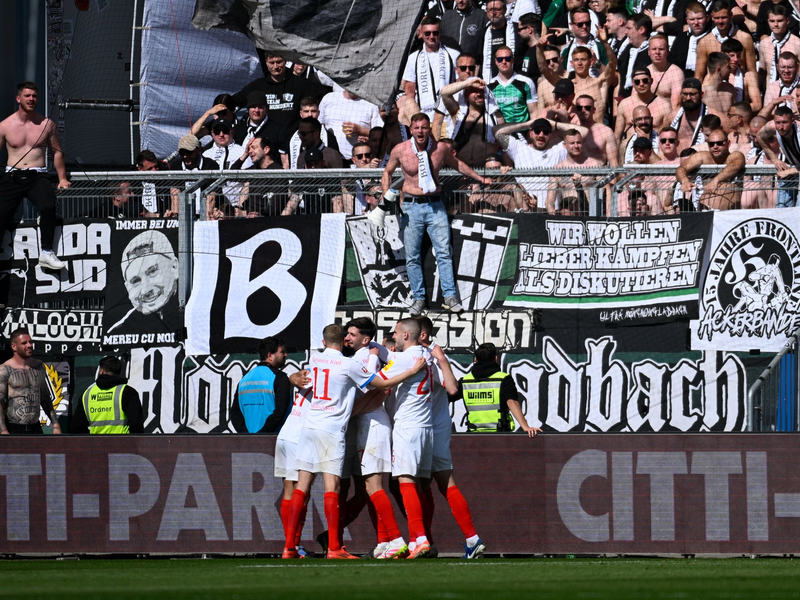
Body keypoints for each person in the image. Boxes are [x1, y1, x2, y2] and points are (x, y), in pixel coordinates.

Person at [281, 323, 425, 560]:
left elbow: (301, 376)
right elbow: (382, 385)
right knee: (335, 488)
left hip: (310, 427)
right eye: (346, 334)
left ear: (324, 341)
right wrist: (410, 371)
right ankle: (338, 547)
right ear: (341, 340)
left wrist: (292, 376)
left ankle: (289, 547)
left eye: (353, 334)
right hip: (333, 429)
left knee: (303, 486)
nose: (349, 338)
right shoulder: (350, 365)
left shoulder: (316, 360)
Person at [381, 113, 491, 315]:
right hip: (411, 207)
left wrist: (479, 178)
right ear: (411, 129)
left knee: (444, 252)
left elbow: (458, 164)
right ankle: (419, 298)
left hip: (436, 205)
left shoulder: (440, 149)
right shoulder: (401, 150)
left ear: (429, 129)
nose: (421, 132)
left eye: (424, 128)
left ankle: (450, 296)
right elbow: (387, 172)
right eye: (417, 128)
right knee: (412, 256)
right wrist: (386, 198)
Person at [416, 316, 489, 559]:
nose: (400, 335)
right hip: (429, 428)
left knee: (439, 484)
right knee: (426, 485)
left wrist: (442, 360)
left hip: (429, 430)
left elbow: (452, 389)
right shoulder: (421, 355)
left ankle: (468, 537)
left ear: (422, 334)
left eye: (406, 330)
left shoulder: (430, 358)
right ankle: (428, 541)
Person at [0, 82, 69, 270]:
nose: (31, 99)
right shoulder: (5, 125)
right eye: (27, 95)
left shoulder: (47, 124)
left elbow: (57, 152)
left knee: (48, 206)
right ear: (18, 98)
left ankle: (46, 252)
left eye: (34, 96)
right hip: (12, 176)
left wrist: (62, 178)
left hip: (37, 176)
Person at [455, 342, 541, 435]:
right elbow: (512, 402)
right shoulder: (503, 379)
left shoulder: (465, 381)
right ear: (496, 358)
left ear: (475, 359)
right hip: (500, 435)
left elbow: (449, 394)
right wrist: (525, 427)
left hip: (473, 435)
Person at [105, 230, 180, 335]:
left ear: (174, 267)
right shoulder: (119, 332)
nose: (145, 290)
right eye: (135, 281)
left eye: (152, 272)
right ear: (127, 287)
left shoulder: (199, 315)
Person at [232, 52, 327, 130]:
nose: (275, 66)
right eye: (272, 63)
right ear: (266, 63)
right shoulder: (259, 85)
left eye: (279, 62)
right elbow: (238, 99)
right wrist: (223, 102)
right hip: (266, 139)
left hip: (292, 139)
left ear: (285, 61)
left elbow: (324, 96)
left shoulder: (300, 84)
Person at [0, 328, 60, 435]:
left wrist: (56, 425)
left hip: (36, 427)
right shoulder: (5, 369)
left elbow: (45, 398)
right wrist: (3, 430)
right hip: (14, 428)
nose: (29, 345)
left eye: (30, 342)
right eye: (24, 343)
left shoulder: (39, 366)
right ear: (14, 346)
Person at [230, 337, 295, 434]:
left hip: (249, 443)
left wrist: (247, 435)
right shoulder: (280, 378)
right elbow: (280, 413)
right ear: (270, 355)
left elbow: (235, 413)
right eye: (282, 352)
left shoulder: (244, 380)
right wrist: (262, 435)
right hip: (273, 440)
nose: (285, 354)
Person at [402, 16, 461, 121]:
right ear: (421, 33)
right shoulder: (413, 58)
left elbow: (459, 83)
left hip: (448, 114)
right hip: (425, 115)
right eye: (427, 33)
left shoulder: (453, 54)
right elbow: (410, 89)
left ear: (440, 32)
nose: (431, 36)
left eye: (435, 33)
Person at [71, 356, 144, 434]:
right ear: (119, 372)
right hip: (122, 444)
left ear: (101, 371)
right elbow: (136, 424)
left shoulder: (87, 394)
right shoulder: (128, 392)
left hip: (95, 444)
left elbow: (76, 427)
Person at [676, 128, 745, 210]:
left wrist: (716, 181)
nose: (715, 147)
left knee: (727, 188)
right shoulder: (703, 157)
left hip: (730, 207)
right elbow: (681, 168)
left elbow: (734, 167)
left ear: (728, 143)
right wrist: (685, 181)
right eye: (711, 144)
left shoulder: (735, 155)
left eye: (719, 143)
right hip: (704, 207)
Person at [694, 1, 756, 78]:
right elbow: (699, 75)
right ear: (712, 17)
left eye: (724, 17)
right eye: (717, 18)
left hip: (739, 87)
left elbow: (752, 72)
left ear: (731, 15)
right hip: (714, 87)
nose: (720, 21)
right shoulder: (704, 42)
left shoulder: (745, 38)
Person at [547, 129, 604, 214]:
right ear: (564, 145)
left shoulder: (594, 164)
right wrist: (552, 213)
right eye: (572, 143)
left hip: (589, 214)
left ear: (583, 144)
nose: (576, 146)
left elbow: (605, 190)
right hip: (567, 216)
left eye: (579, 142)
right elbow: (550, 199)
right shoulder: (558, 169)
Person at [319, 88, 383, 161]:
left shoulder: (371, 102)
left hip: (359, 160)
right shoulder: (329, 98)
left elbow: (379, 134)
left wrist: (361, 131)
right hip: (331, 159)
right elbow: (318, 127)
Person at [756, 105, 800, 208]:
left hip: (792, 171)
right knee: (782, 208)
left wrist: (789, 171)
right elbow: (760, 136)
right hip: (793, 171)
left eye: (785, 122)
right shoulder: (772, 126)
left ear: (792, 121)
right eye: (778, 122)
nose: (781, 127)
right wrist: (775, 159)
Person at [168, 134, 219, 217]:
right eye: (182, 153)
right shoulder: (175, 166)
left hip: (205, 211)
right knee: (174, 192)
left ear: (198, 150)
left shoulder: (210, 165)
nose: (185, 156)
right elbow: (175, 195)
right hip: (183, 214)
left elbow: (211, 195)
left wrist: (205, 218)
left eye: (189, 152)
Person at [666, 78, 726, 149]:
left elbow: (733, 137)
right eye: (685, 94)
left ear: (701, 95)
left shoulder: (716, 116)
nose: (688, 98)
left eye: (692, 94)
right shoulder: (672, 117)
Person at [615, 70, 673, 142]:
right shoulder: (624, 104)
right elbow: (617, 137)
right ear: (632, 83)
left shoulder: (664, 106)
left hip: (653, 148)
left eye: (645, 80)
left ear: (651, 81)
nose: (641, 84)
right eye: (637, 82)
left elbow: (668, 136)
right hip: (629, 149)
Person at [232, 91, 288, 164]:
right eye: (253, 106)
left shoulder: (277, 129)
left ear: (266, 109)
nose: (257, 110)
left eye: (260, 107)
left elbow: (284, 160)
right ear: (248, 109)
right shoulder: (238, 129)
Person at [488, 46, 538, 124]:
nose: (504, 62)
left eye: (507, 59)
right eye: (500, 59)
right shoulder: (490, 86)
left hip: (522, 132)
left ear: (513, 60)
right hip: (499, 132)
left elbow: (534, 112)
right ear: (496, 61)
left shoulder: (526, 82)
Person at [285, 97, 339, 169]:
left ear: (318, 113)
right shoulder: (292, 137)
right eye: (306, 111)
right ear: (301, 114)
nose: (310, 114)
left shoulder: (329, 137)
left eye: (313, 111)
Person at [758, 4, 800, 90]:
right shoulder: (764, 44)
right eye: (772, 21)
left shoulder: (797, 43)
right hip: (770, 92)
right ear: (768, 21)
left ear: (787, 21)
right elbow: (762, 73)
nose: (776, 24)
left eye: (780, 21)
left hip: (792, 92)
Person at [666, 2, 710, 79]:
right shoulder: (681, 37)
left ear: (707, 18)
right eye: (692, 19)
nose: (696, 23)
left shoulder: (712, 38)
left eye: (699, 18)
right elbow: (672, 62)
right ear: (687, 20)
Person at [615, 13, 653, 101]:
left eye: (629, 28)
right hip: (623, 102)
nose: (625, 32)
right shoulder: (627, 50)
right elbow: (620, 78)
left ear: (641, 29)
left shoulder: (651, 52)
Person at [573, 95, 619, 165]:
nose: (583, 110)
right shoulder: (571, 130)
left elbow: (614, 163)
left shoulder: (605, 131)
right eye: (579, 108)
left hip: (599, 173)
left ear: (593, 110)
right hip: (574, 173)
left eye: (587, 108)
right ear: (576, 110)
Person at [721, 39, 762, 113]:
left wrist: (735, 111)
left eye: (738, 55)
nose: (736, 59)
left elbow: (757, 104)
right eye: (731, 56)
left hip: (742, 117)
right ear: (722, 55)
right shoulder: (716, 76)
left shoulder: (748, 76)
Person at [647, 35, 685, 109]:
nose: (657, 52)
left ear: (667, 51)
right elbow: (634, 100)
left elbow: (676, 106)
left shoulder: (676, 73)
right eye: (654, 49)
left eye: (661, 49)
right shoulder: (644, 72)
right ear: (649, 52)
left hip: (667, 117)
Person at [481, 0, 516, 79]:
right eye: (490, 10)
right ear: (486, 12)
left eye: (497, 9)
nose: (493, 13)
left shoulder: (516, 31)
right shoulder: (481, 34)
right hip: (490, 81)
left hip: (514, 79)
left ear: (505, 10)